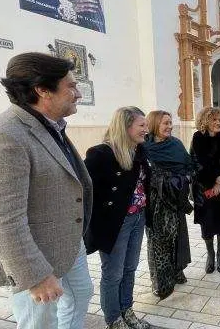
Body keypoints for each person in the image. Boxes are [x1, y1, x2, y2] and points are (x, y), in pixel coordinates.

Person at [0, 52, 93, 329]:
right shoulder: (2, 135)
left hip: (69, 244)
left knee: (82, 294)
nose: (78, 93)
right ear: (42, 90)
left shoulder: (51, 126)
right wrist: (35, 276)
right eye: (71, 86)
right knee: (39, 323)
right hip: (35, 256)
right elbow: (0, 220)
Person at [85, 107, 151, 329]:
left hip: (138, 218)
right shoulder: (101, 154)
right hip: (116, 224)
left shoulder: (139, 151)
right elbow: (84, 191)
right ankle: (113, 320)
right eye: (141, 125)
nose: (146, 129)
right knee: (113, 274)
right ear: (126, 126)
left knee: (130, 268)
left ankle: (126, 310)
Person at [143, 110, 194, 300]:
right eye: (165, 123)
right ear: (155, 124)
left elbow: (189, 166)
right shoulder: (144, 147)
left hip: (174, 199)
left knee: (178, 236)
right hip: (155, 203)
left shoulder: (176, 144)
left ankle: (177, 270)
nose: (169, 126)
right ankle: (161, 281)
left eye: (170, 123)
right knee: (157, 242)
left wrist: (182, 180)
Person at [190, 107, 220, 274]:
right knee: (207, 223)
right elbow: (195, 164)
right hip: (204, 189)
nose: (218, 122)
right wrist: (213, 180)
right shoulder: (197, 138)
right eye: (214, 120)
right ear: (205, 121)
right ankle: (210, 255)